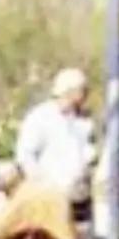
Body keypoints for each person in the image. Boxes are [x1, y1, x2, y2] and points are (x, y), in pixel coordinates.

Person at [15, 67, 95, 229]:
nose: (86, 95)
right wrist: (42, 184)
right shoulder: (42, 117)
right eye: (82, 90)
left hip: (80, 197)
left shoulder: (84, 120)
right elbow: (25, 155)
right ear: (70, 91)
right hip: (52, 198)